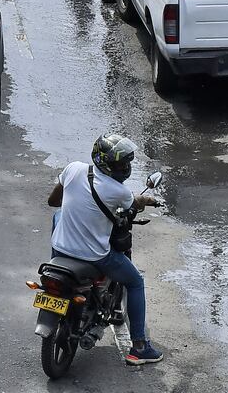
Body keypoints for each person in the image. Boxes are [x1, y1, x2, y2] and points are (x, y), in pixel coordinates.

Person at [46, 134, 164, 366]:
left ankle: (56, 268)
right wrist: (148, 200)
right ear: (106, 163)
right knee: (135, 282)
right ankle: (139, 347)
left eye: (127, 162)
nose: (125, 167)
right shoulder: (118, 191)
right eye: (121, 163)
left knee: (58, 215)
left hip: (60, 248)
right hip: (94, 256)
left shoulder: (73, 169)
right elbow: (133, 205)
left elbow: (53, 201)